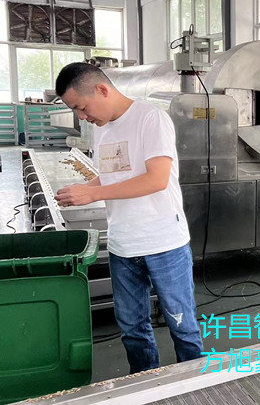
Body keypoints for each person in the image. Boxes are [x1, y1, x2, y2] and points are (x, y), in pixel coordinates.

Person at [54, 62, 203, 373]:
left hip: (164, 243)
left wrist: (94, 194)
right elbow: (113, 176)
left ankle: (194, 383)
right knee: (132, 329)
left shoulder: (150, 118)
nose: (82, 116)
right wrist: (86, 189)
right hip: (123, 246)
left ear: (102, 90)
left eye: (81, 107)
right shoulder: (101, 129)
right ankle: (144, 382)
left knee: (182, 325)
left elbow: (156, 179)